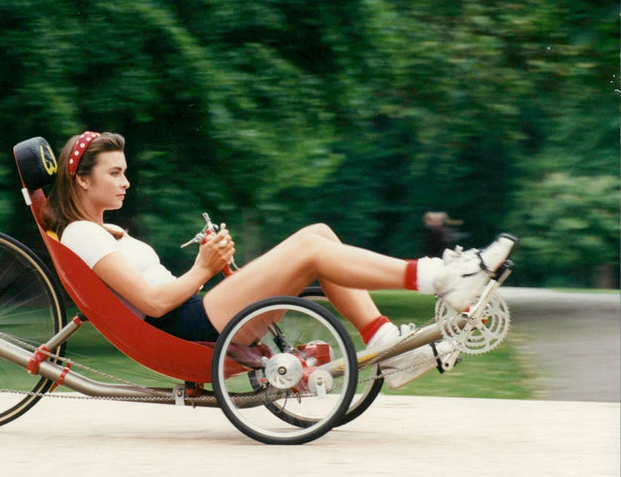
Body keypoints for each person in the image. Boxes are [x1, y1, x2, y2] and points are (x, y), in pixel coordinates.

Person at [43, 131, 517, 389]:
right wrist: (203, 267)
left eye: (127, 172)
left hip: (198, 314)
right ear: (83, 181)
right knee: (312, 248)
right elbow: (154, 299)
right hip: (187, 325)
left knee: (318, 234)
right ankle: (443, 277)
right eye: (116, 172)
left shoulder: (102, 230)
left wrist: (212, 263)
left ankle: (388, 342)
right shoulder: (83, 233)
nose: (127, 182)